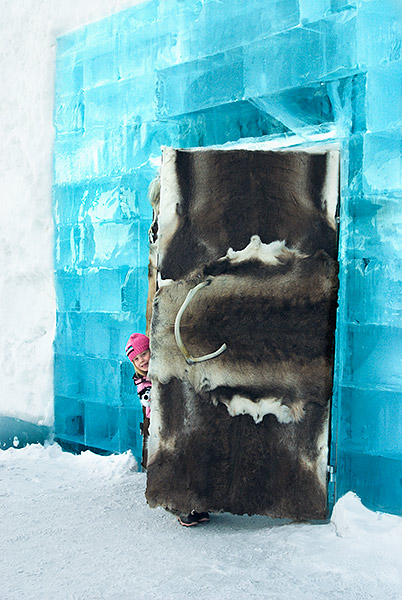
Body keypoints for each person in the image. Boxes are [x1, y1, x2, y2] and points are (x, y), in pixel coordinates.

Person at [125, 332, 210, 527]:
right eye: (136, 359)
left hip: (179, 422)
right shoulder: (142, 381)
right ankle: (182, 507)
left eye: (144, 354)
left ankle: (199, 506)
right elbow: (150, 399)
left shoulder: (166, 367)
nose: (141, 361)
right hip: (162, 428)